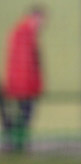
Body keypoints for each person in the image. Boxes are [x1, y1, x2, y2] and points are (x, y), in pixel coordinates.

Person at [1, 5, 46, 153]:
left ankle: (17, 143)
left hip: (24, 85)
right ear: (34, 17)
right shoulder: (23, 34)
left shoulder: (26, 33)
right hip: (23, 86)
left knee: (23, 116)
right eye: (41, 20)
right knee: (23, 116)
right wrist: (29, 87)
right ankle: (16, 144)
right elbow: (24, 65)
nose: (42, 24)